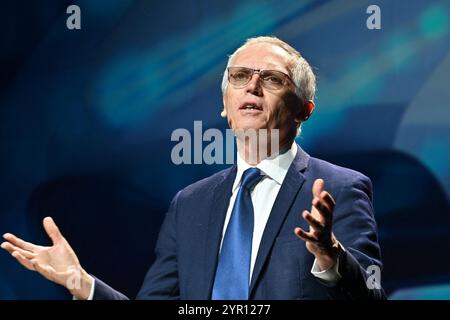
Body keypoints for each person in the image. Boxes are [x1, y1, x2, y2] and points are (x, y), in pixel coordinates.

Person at [1, 36, 385, 300]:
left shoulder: (340, 187)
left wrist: (330, 255)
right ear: (225, 103)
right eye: (239, 77)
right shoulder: (191, 203)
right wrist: (81, 283)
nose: (252, 86)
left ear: (304, 110)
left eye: (271, 79)